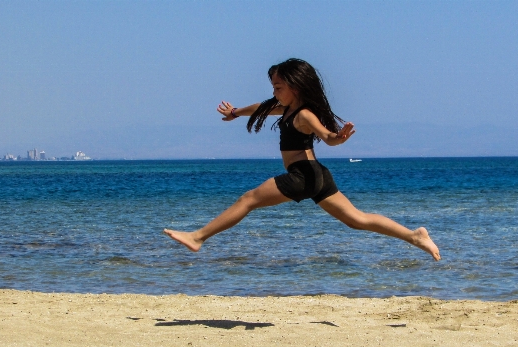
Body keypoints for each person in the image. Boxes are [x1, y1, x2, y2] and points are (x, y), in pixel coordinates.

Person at [164, 58, 440, 261]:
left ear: (295, 87)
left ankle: (198, 237)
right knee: (357, 219)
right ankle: (414, 236)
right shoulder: (284, 108)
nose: (274, 91)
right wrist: (235, 112)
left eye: (278, 86)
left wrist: (338, 138)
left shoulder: (304, 114)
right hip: (317, 175)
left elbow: (326, 136)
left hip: (303, 175)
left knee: (248, 199)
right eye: (273, 86)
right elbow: (260, 107)